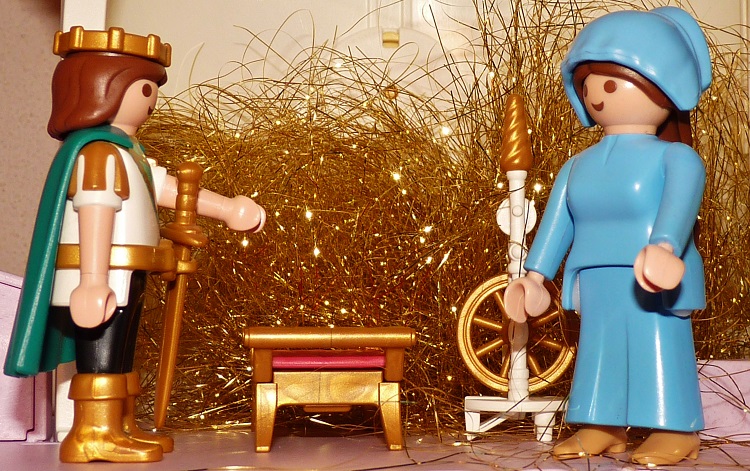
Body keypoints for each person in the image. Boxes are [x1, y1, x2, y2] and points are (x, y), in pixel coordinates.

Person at [4, 27, 266, 463]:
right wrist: (91, 281)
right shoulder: (99, 155)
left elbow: (166, 189)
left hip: (126, 273)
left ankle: (121, 425)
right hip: (104, 275)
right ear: (105, 88)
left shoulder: (128, 153)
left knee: (121, 353)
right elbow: (95, 210)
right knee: (102, 356)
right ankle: (92, 433)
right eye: (146, 88)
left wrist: (227, 209)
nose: (152, 100)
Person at [503, 7, 711, 466]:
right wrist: (535, 276)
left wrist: (665, 247)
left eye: (610, 84)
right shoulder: (577, 165)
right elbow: (558, 222)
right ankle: (601, 423)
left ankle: (675, 427)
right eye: (588, 86)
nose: (596, 95)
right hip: (594, 274)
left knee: (658, 344)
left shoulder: (676, 159)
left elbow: (678, 210)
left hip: (651, 271)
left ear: (662, 84)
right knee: (598, 348)